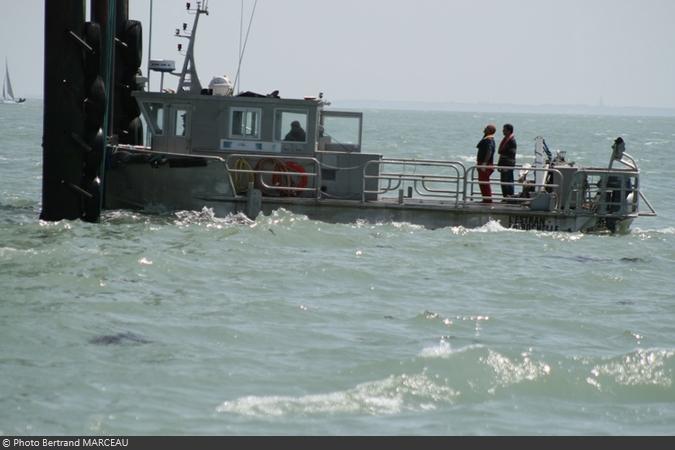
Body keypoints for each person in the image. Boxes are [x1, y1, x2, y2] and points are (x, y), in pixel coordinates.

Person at [476, 124, 496, 203]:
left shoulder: (489, 140)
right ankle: (485, 199)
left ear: (490, 131)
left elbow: (489, 151)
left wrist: (484, 163)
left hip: (485, 164)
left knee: (484, 182)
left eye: (487, 128)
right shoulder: (487, 139)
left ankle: (487, 200)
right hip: (483, 163)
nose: (485, 129)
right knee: (482, 182)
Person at [497, 123, 517, 199]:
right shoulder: (506, 139)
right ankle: (505, 197)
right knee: (504, 182)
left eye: (504, 130)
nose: (503, 131)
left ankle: (510, 198)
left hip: (508, 164)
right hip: (504, 163)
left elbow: (511, 153)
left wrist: (505, 164)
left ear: (509, 131)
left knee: (508, 182)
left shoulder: (511, 140)